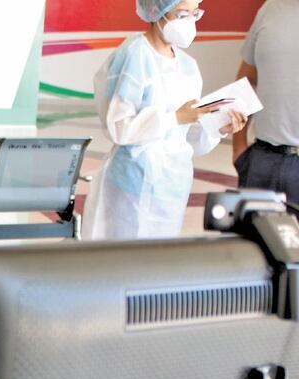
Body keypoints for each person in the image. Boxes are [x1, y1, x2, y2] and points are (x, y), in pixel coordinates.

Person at [82, 0, 247, 240]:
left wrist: (217, 128)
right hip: (132, 180)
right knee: (123, 262)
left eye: (194, 13)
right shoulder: (135, 55)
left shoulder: (188, 67)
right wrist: (176, 116)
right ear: (155, 11)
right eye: (181, 14)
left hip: (172, 183)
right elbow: (120, 128)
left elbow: (187, 137)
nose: (189, 21)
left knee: (158, 261)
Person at [232, 0, 299, 205]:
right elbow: (247, 80)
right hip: (262, 161)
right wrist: (238, 147)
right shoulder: (270, 9)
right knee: (256, 237)